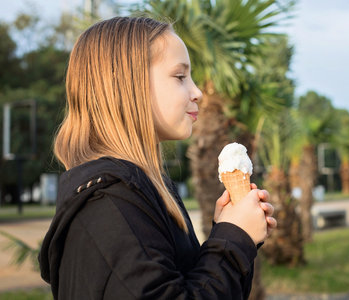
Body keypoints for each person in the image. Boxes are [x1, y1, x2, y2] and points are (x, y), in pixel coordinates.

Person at [38, 16, 276, 300]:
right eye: (180, 77)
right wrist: (234, 240)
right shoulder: (107, 203)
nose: (197, 92)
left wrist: (230, 234)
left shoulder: (142, 190)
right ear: (126, 86)